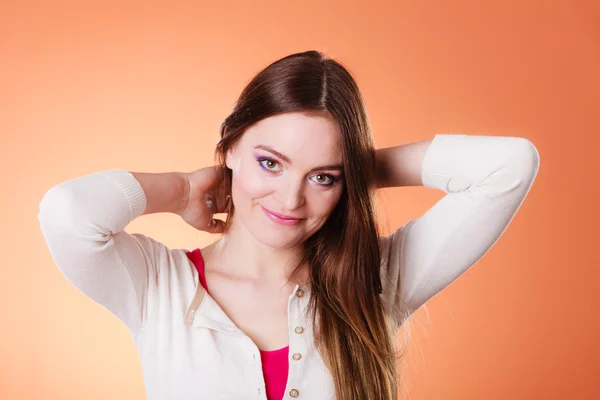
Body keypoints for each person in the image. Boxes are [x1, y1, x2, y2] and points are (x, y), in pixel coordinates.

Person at [37, 50, 540, 400]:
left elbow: (510, 165)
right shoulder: (157, 286)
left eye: (322, 177)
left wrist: (358, 170)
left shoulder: (377, 279)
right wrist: (184, 190)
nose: (290, 198)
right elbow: (67, 212)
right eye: (271, 163)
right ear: (229, 146)